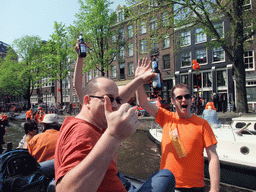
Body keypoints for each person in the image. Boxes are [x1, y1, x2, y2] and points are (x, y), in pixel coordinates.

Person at [54, 44, 175, 192]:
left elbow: (118, 98)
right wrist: (113, 136)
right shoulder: (82, 133)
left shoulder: (93, 120)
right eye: (109, 99)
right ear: (87, 101)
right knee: (167, 176)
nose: (116, 105)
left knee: (164, 175)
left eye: (118, 100)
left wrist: (139, 79)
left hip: (116, 181)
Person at [135, 59, 220, 192]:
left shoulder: (202, 124)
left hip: (194, 187)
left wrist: (214, 189)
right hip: (168, 185)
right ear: (173, 101)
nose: (183, 100)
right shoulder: (166, 117)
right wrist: (139, 80)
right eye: (179, 98)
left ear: (191, 100)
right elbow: (143, 102)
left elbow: (213, 157)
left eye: (186, 96)